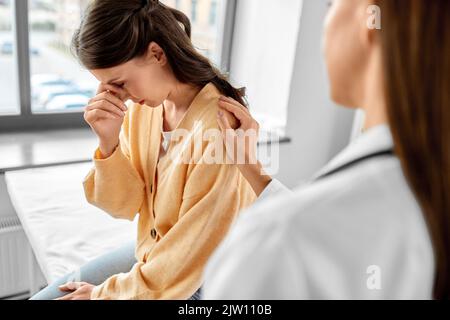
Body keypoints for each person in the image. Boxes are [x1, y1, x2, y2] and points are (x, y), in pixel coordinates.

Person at [203, 0, 450, 299]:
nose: (325, 22)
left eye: (332, 3)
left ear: (369, 22)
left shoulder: (281, 245)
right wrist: (249, 165)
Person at [31, 0, 256, 300]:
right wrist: (108, 144)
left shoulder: (219, 128)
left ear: (157, 53)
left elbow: (184, 266)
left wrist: (101, 296)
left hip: (206, 280)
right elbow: (123, 205)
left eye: (120, 82)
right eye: (108, 86)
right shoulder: (147, 107)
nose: (118, 96)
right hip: (158, 256)